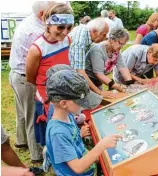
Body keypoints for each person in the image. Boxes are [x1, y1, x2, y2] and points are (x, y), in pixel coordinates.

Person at [45, 65, 122, 175]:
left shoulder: (68, 115)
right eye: (80, 102)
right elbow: (78, 167)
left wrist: (79, 135)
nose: (83, 106)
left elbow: (69, 141)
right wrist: (101, 145)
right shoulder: (58, 133)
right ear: (63, 103)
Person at [8, 1, 52, 163]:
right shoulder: (35, 31)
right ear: (42, 14)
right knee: (32, 116)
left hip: (16, 75)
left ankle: (21, 141)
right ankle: (36, 154)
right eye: (51, 12)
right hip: (26, 78)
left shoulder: (30, 21)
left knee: (22, 112)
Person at [26, 3, 73, 146]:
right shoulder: (37, 48)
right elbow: (30, 78)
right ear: (48, 24)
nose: (65, 32)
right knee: (52, 126)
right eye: (60, 27)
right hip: (46, 94)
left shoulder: (67, 40)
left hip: (64, 89)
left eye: (69, 27)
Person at [69, 18, 116, 98]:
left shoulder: (87, 33)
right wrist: (99, 92)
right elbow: (79, 71)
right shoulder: (80, 40)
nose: (105, 38)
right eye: (104, 35)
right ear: (94, 31)